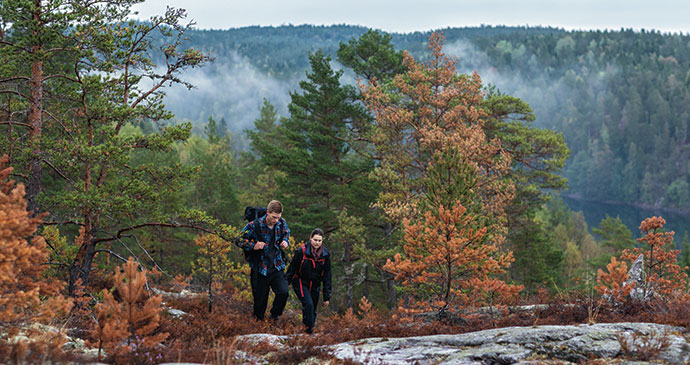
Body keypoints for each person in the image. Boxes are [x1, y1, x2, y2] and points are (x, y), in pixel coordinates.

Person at [239, 200, 290, 321]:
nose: (276, 220)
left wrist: (285, 242)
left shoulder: (282, 223)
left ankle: (274, 316)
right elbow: (239, 239)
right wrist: (253, 245)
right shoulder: (254, 225)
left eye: (278, 217)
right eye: (273, 217)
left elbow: (287, 232)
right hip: (260, 268)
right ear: (268, 213)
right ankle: (258, 324)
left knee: (284, 292)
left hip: (277, 265)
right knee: (260, 302)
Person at [285, 228, 332, 334]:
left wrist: (327, 296)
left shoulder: (325, 255)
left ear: (322, 241)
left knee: (312, 309)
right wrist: (286, 284)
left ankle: (308, 331)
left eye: (319, 240)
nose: (317, 243)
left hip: (315, 284)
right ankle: (308, 332)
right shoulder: (301, 251)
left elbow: (327, 276)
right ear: (310, 239)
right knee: (308, 304)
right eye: (315, 240)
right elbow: (292, 268)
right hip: (301, 281)